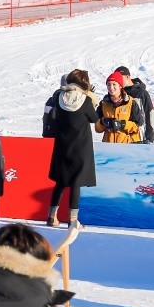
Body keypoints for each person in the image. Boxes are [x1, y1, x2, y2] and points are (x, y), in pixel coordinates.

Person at [44, 69, 99, 228]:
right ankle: (73, 221)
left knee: (60, 182)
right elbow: (94, 119)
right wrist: (92, 98)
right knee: (76, 183)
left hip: (62, 146)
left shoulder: (59, 98)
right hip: (80, 148)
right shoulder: (85, 100)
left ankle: (51, 217)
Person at [95, 70, 143, 143]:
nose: (111, 87)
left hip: (126, 147)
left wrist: (123, 124)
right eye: (108, 84)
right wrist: (102, 122)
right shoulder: (103, 103)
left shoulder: (131, 103)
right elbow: (97, 129)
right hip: (108, 147)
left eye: (114, 84)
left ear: (120, 86)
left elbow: (138, 127)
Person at [115, 66, 154, 143]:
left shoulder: (141, 93)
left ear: (127, 77)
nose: (118, 81)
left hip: (139, 137)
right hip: (121, 138)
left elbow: (149, 114)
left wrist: (150, 137)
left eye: (120, 78)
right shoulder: (118, 93)